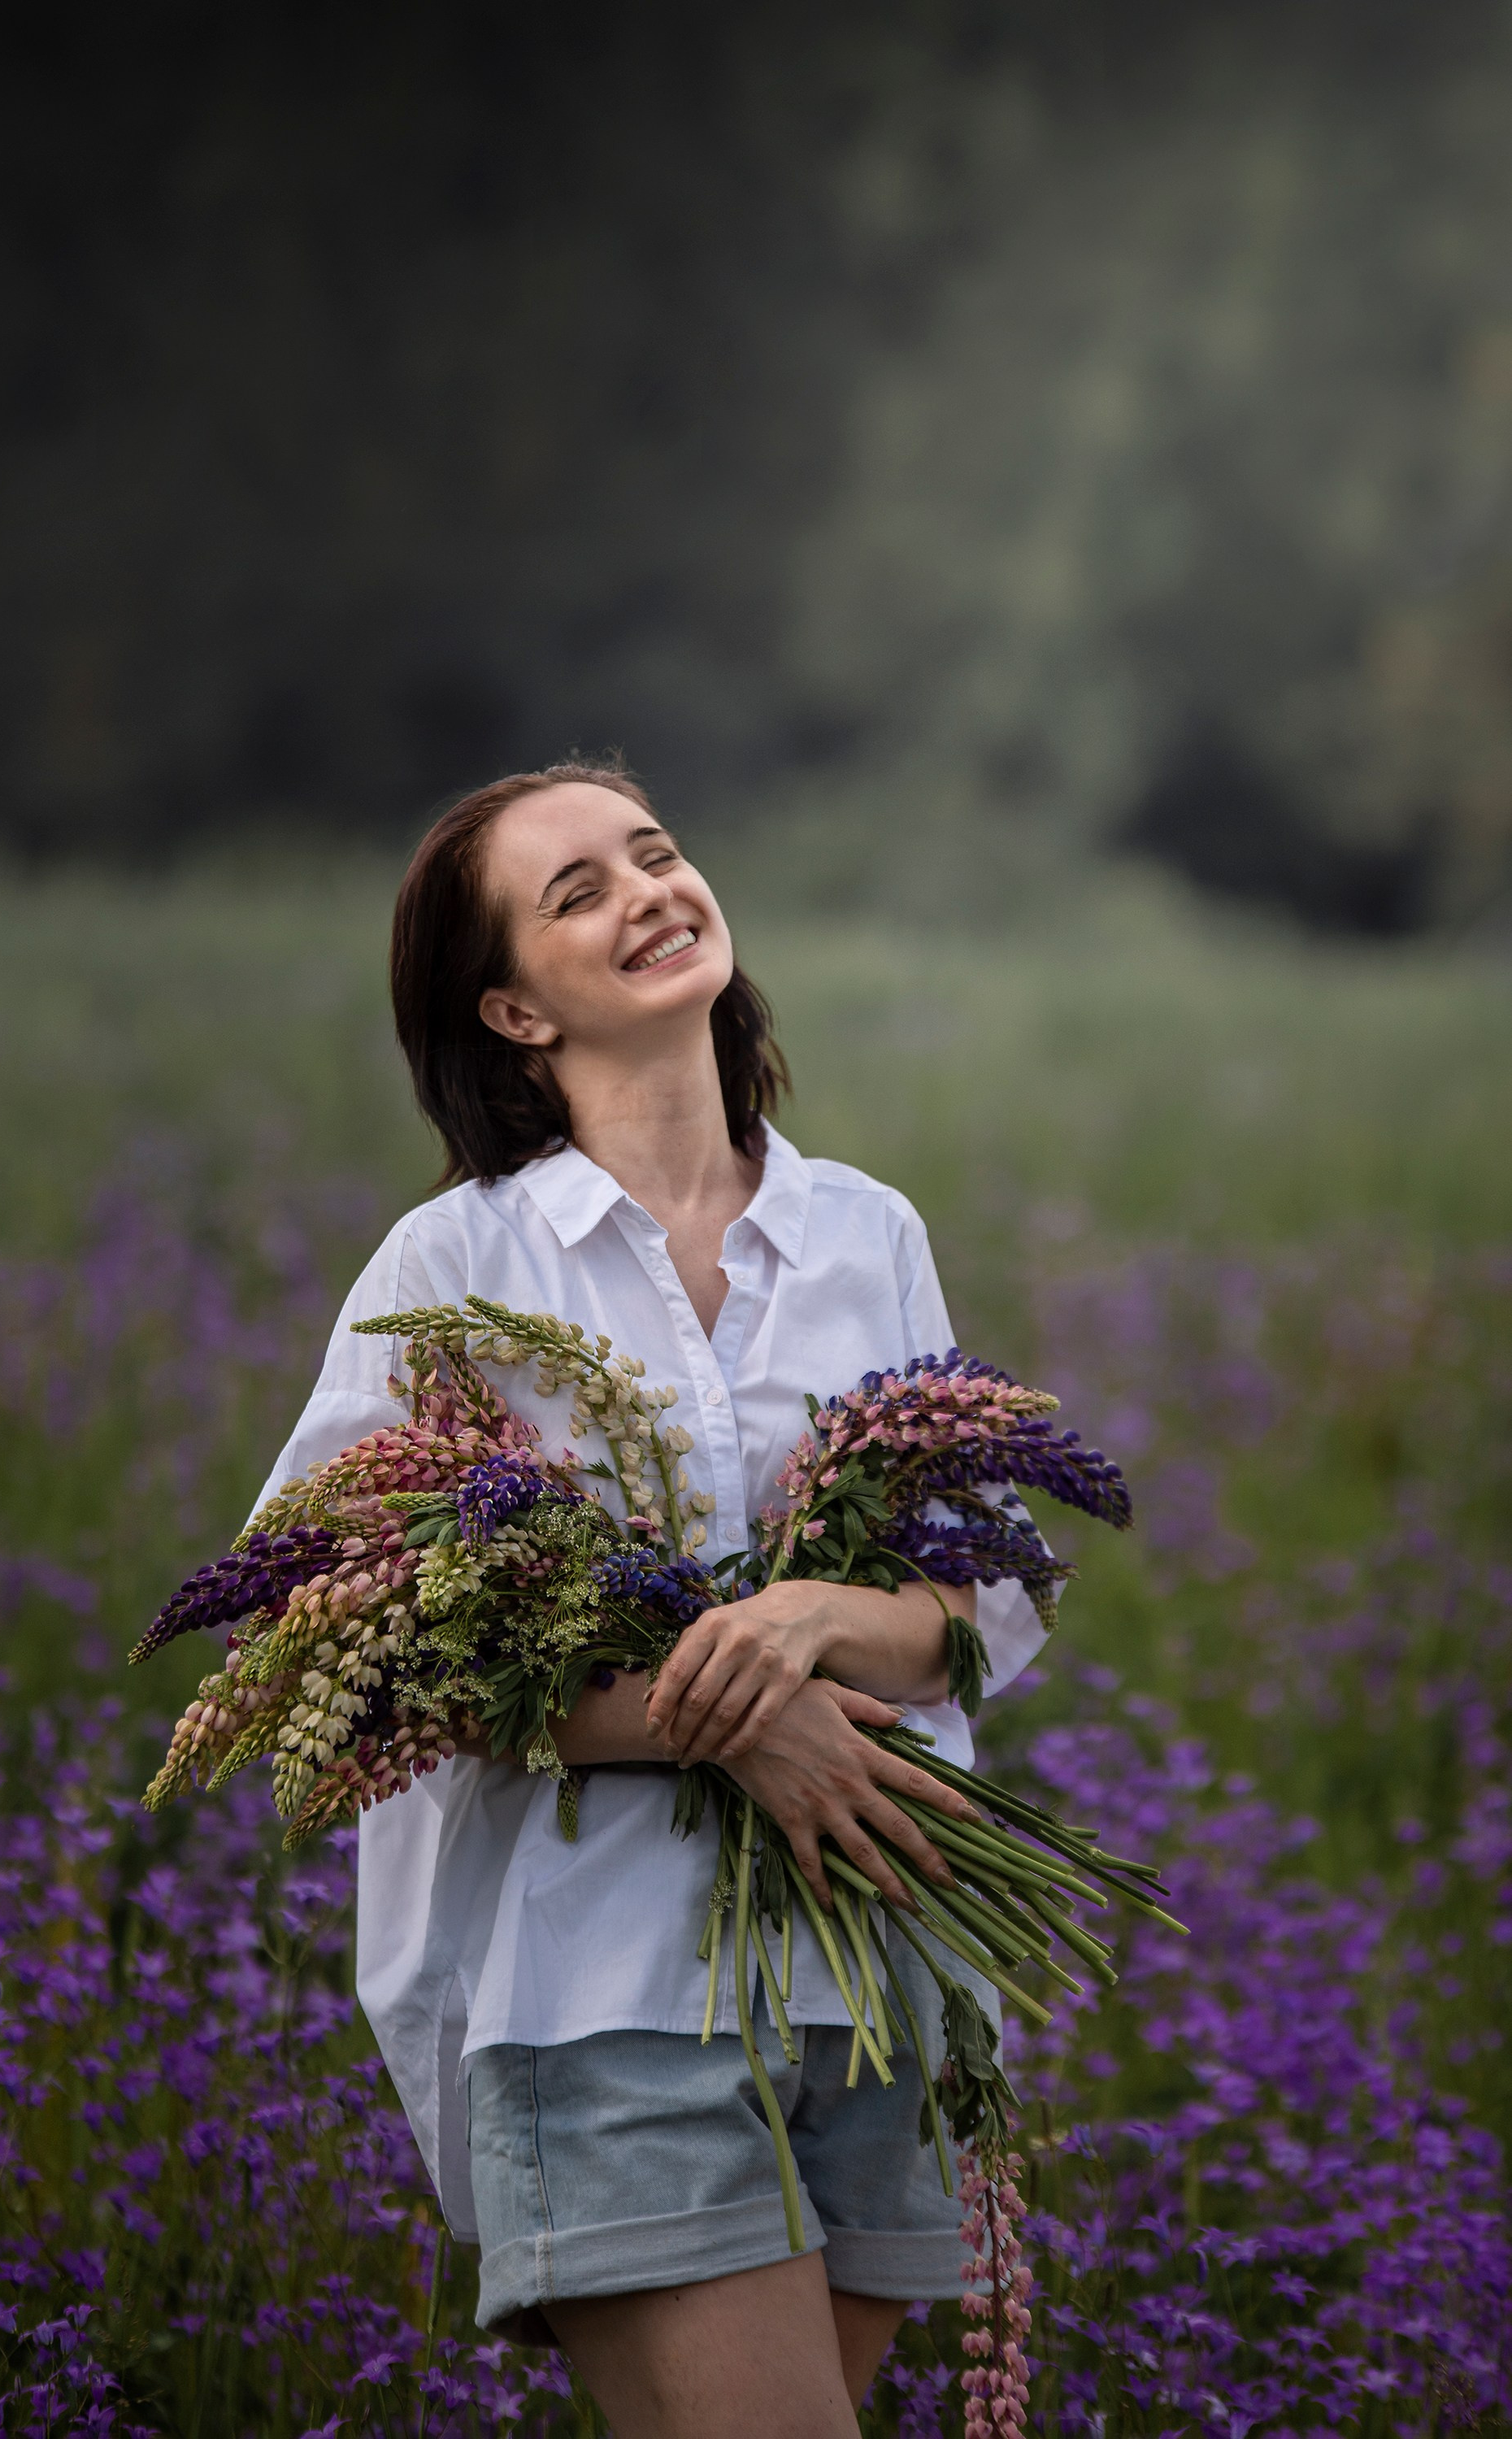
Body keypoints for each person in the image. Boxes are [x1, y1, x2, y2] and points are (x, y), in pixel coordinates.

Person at [258, 761, 1049, 2437]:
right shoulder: (457, 1269)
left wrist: (816, 1626)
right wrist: (732, 1737)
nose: (647, 893)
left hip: (889, 1959)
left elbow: (974, 1614)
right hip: (603, 1989)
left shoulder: (865, 1233)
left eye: (656, 854)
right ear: (509, 1011)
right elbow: (344, 1642)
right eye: (577, 895)